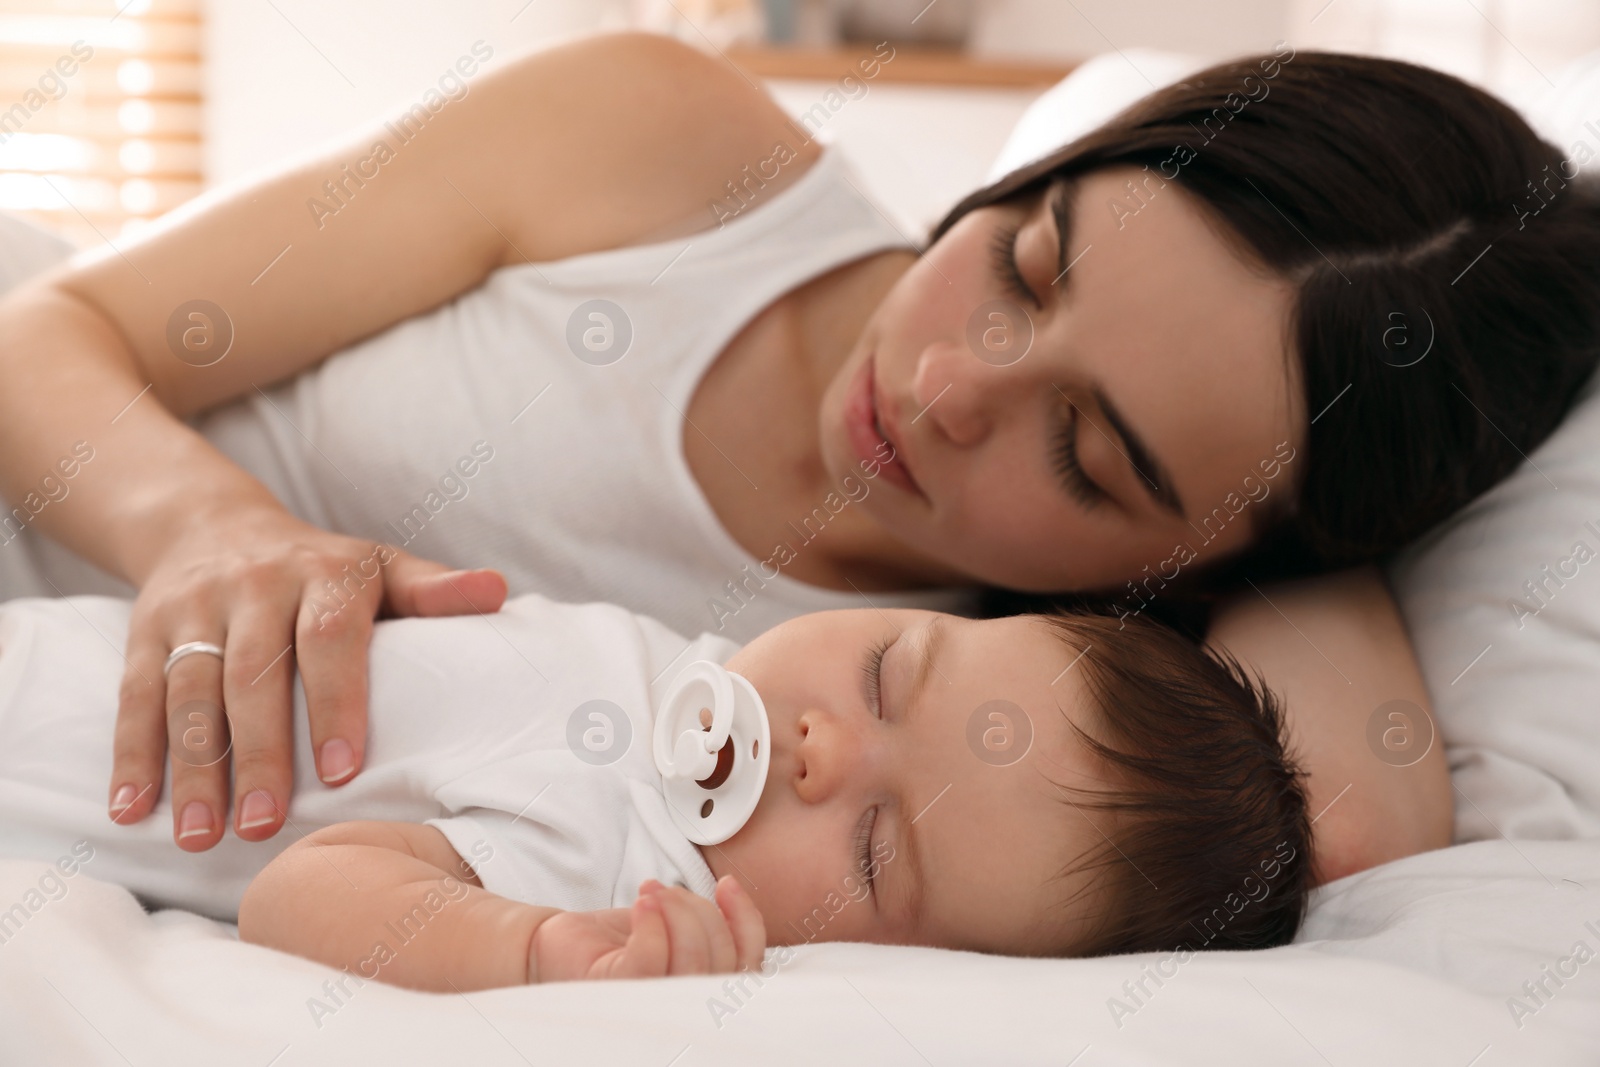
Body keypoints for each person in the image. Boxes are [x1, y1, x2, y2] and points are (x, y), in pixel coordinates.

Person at [0, 34, 1584, 849]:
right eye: (1030, 263)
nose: (954, 386)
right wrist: (212, 535)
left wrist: (1303, 552)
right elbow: (55, 334)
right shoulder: (668, 147)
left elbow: (1360, 829)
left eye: (1092, 458)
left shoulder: (956, 709)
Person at [0, 571, 1449, 992]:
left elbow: (308, 895)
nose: (822, 750)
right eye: (888, 677)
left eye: (877, 851)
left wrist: (540, 955)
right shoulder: (676, 661)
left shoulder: (642, 871)